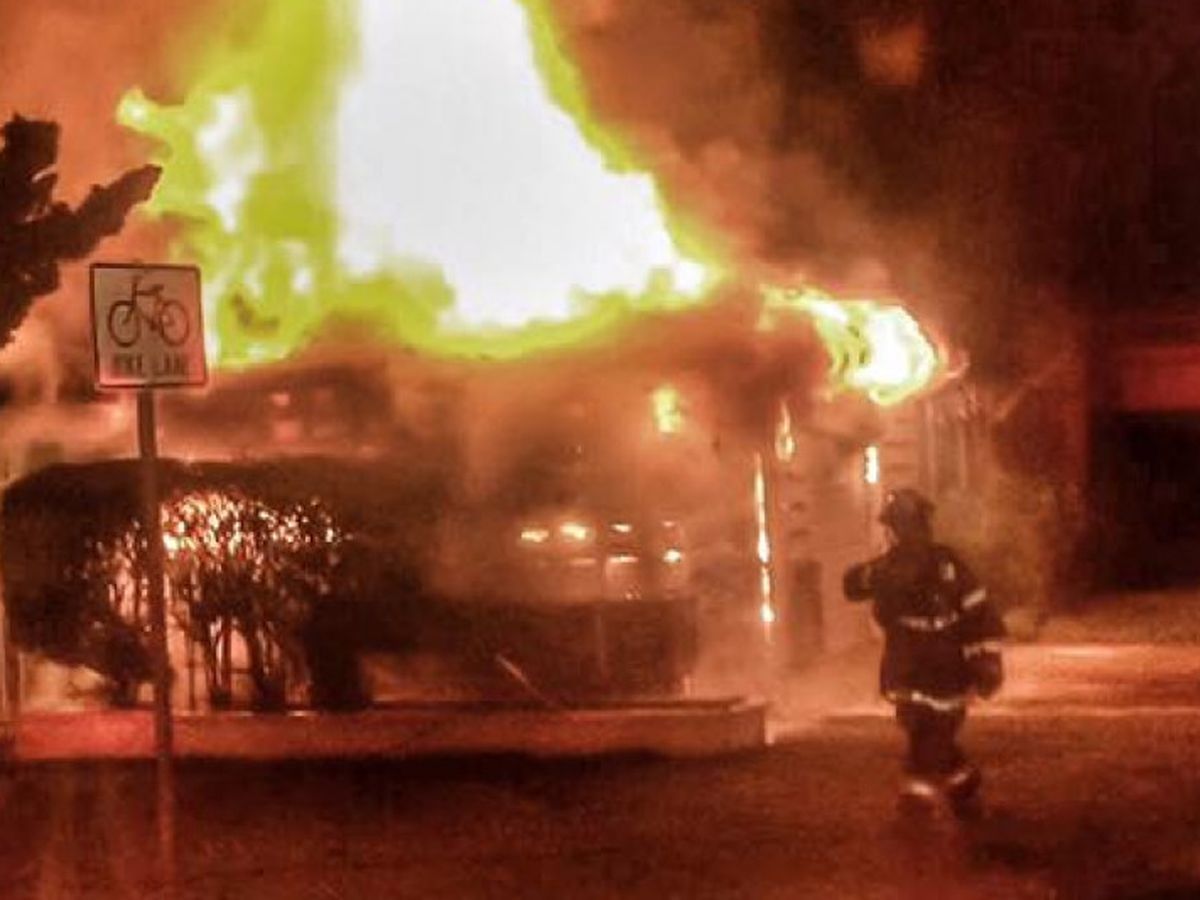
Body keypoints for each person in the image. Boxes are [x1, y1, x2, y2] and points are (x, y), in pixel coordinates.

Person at [843, 487, 1005, 819]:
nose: (896, 532)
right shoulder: (887, 566)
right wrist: (872, 573)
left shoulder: (947, 564)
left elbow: (978, 608)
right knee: (922, 727)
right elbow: (852, 586)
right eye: (894, 525)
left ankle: (926, 796)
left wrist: (987, 658)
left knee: (937, 730)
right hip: (907, 662)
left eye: (898, 524)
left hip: (945, 662)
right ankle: (954, 790)